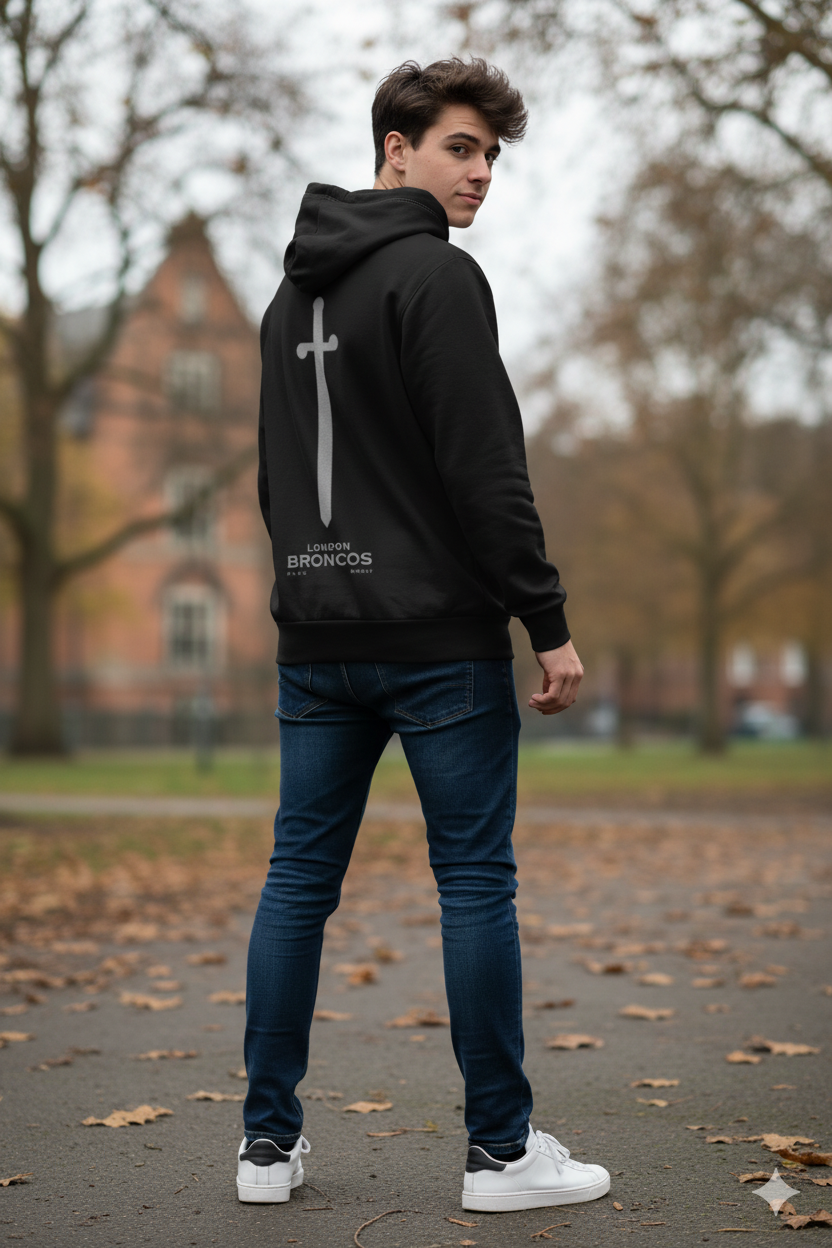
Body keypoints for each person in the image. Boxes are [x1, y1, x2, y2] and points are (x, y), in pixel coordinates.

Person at [239, 57, 611, 1213]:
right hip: (438, 644)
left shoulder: (287, 299)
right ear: (395, 147)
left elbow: (272, 487)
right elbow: (487, 472)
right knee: (473, 884)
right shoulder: (435, 280)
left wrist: (309, 588)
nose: (480, 173)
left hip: (317, 635)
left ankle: (265, 1149)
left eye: (491, 155)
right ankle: (502, 1156)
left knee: (297, 882)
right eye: (460, 146)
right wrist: (544, 621)